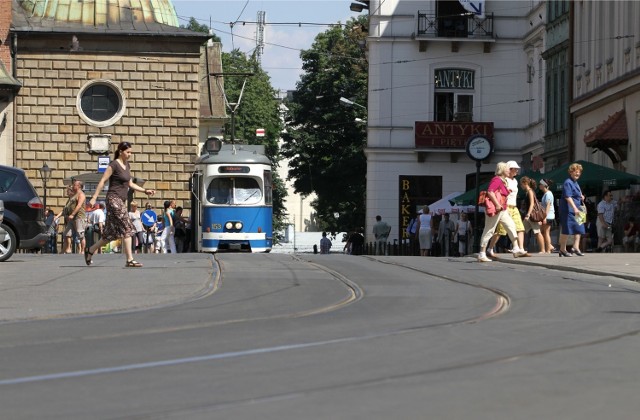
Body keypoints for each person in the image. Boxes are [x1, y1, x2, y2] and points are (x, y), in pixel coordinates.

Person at [84, 141, 156, 267]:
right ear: (121, 151)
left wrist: (145, 191)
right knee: (127, 227)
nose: (130, 155)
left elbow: (130, 184)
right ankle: (129, 259)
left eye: (131, 153)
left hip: (121, 201)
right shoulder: (114, 165)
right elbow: (102, 181)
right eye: (128, 152)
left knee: (109, 235)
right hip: (113, 199)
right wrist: (94, 197)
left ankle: (90, 250)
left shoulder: (127, 165)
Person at [477, 162, 528, 262]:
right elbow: (490, 191)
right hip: (496, 210)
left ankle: (516, 248)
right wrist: (496, 204)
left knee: (511, 226)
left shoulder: (503, 181)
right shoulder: (497, 180)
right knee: (489, 230)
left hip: (503, 210)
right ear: (502, 170)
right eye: (507, 169)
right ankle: (482, 253)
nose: (509, 170)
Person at [558, 162, 585, 257]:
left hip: (578, 209)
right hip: (568, 209)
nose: (577, 174)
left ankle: (576, 247)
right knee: (567, 229)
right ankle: (562, 249)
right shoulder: (567, 182)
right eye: (575, 172)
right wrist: (574, 208)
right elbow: (567, 196)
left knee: (580, 228)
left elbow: (576, 194)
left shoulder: (576, 183)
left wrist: (581, 196)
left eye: (579, 172)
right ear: (571, 172)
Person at [520, 177, 545, 253]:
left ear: (525, 183)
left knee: (537, 232)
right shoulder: (528, 192)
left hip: (532, 216)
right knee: (520, 230)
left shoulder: (530, 191)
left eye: (521, 184)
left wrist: (528, 214)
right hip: (529, 216)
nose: (521, 186)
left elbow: (532, 204)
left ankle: (543, 249)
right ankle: (520, 248)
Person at [539, 179, 556, 253]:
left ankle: (549, 248)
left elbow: (548, 206)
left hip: (548, 215)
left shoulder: (548, 194)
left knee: (546, 232)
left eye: (540, 184)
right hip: (547, 215)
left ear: (544, 185)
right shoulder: (546, 194)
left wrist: (545, 217)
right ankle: (549, 246)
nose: (539, 186)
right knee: (544, 232)